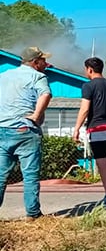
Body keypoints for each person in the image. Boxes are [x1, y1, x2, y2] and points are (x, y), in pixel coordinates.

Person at [0, 46, 53, 220]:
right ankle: (33, 214)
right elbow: (46, 94)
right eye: (43, 60)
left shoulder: (4, 75)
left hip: (3, 130)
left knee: (1, 175)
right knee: (30, 174)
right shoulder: (38, 76)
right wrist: (36, 116)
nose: (46, 63)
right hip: (25, 130)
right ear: (35, 62)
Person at [72, 57, 106, 206]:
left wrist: (76, 128)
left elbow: (85, 109)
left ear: (89, 69)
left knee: (102, 162)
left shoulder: (88, 86)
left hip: (97, 129)